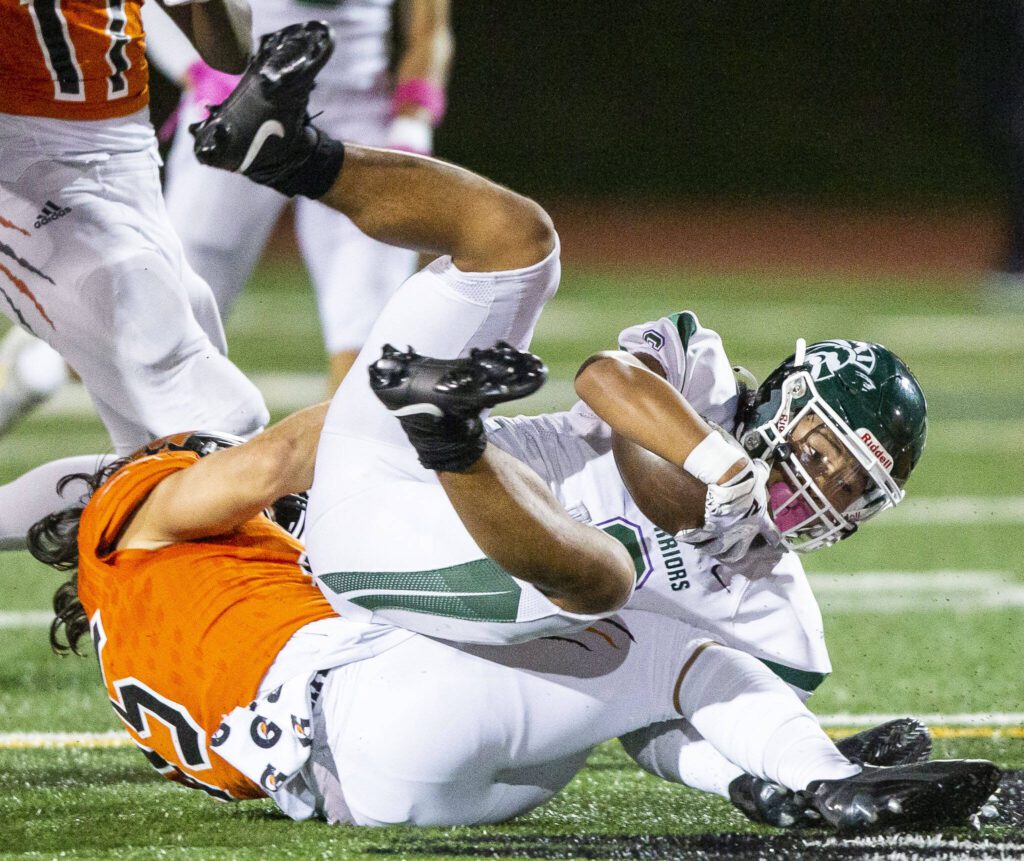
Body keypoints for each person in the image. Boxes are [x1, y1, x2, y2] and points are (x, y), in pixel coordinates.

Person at [28, 24, 999, 835]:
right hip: (378, 651)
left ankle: (294, 161)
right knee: (610, 584)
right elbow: (602, 383)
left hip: (396, 700)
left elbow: (645, 705)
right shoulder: (697, 381)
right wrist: (709, 455)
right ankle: (443, 423)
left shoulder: (778, 604)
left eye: (846, 488)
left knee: (628, 630)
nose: (820, 488)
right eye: (824, 455)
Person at [0, 0, 453, 427]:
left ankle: (321, 502)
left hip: (358, 116)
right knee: (154, 325)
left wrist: (410, 127)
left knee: (369, 361)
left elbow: (430, 31)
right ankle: (34, 366)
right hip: (242, 103)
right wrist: (199, 71)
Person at [0, 0, 269, 519]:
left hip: (127, 159)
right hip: (22, 176)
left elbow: (231, 53)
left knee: (157, 461)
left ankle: (134, 580)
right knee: (216, 416)